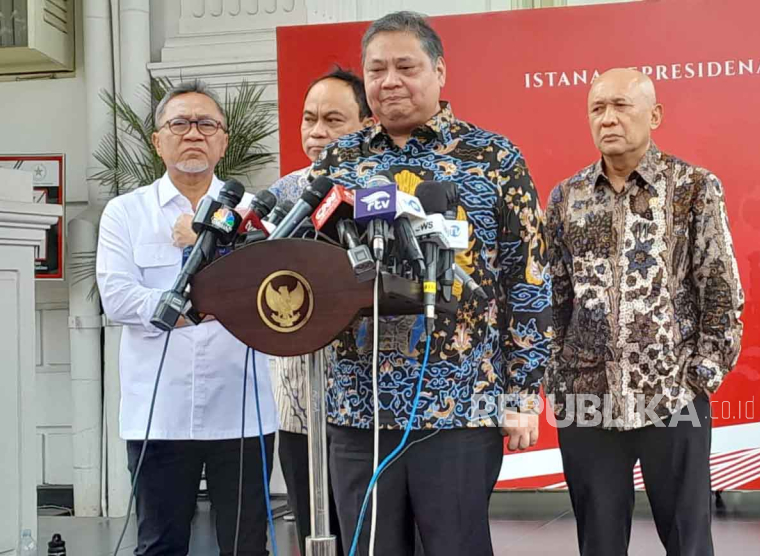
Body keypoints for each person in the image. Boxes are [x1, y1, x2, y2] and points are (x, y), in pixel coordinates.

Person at [310, 12, 553, 555]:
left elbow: (528, 280)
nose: (389, 81)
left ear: (439, 71)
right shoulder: (339, 161)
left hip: (460, 405)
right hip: (358, 409)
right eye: (376, 69)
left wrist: (522, 395)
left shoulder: (493, 158)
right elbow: (313, 266)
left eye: (405, 66)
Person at [545, 68, 745, 556]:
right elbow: (553, 297)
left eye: (620, 106)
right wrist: (555, 374)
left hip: (673, 396)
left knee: (688, 539)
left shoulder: (693, 187)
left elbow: (720, 288)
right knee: (598, 542)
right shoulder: (565, 197)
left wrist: (700, 376)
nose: (607, 119)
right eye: (597, 109)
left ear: (653, 115)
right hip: (586, 398)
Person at [96, 80, 277, 556]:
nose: (192, 133)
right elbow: (117, 298)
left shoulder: (255, 218)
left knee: (246, 546)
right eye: (179, 123)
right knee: (159, 544)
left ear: (223, 140)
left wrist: (197, 288)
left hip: (241, 410)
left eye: (206, 124)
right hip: (159, 413)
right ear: (158, 141)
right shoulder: (125, 213)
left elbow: (268, 297)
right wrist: (208, 307)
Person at [269, 66, 372, 556]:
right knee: (312, 525)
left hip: (368, 400)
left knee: (371, 532)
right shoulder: (284, 194)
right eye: (309, 119)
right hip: (298, 401)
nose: (317, 132)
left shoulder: (381, 194)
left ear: (367, 123)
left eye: (333, 119)